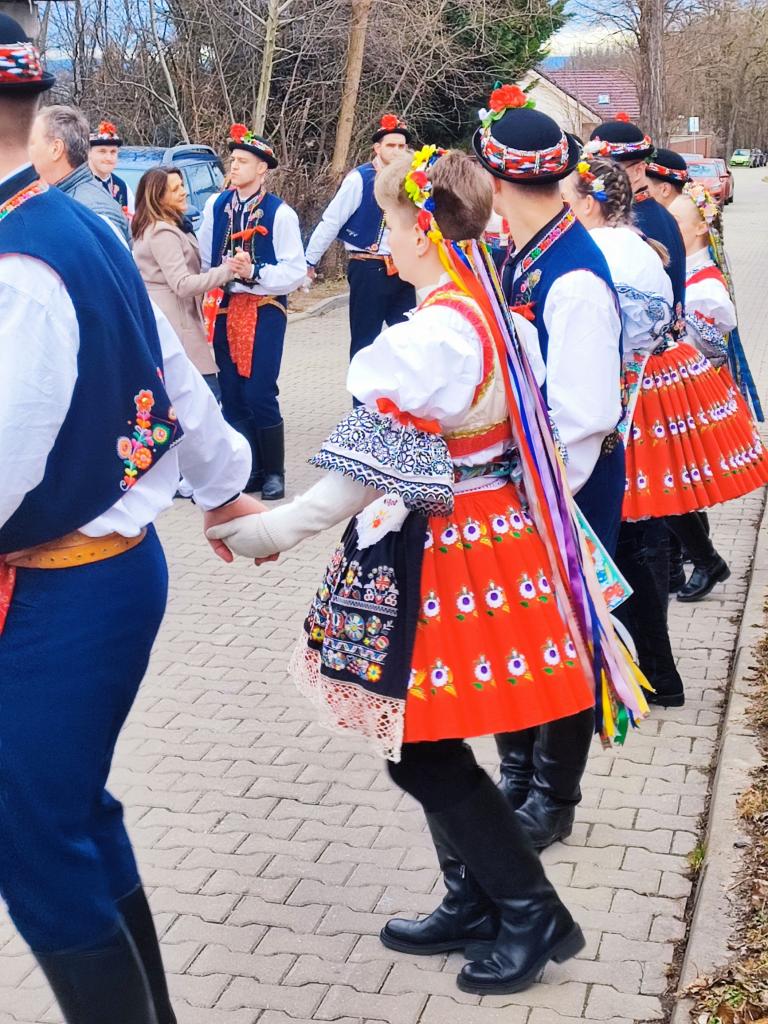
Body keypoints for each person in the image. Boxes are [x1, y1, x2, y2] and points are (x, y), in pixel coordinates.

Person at [208, 146, 647, 994]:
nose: (383, 242)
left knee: (418, 744)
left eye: (390, 224)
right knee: (426, 737)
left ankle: (529, 909)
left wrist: (266, 533)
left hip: (446, 550)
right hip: (492, 538)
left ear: (423, 233)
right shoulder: (493, 318)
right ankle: (474, 898)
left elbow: (352, 484)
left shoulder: (429, 340)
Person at [0, 17, 260, 1022]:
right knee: (74, 813)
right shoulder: (74, 226)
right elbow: (172, 377)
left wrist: (223, 484)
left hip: (63, 586)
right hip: (98, 573)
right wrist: (223, 482)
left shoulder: (21, 263)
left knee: (33, 840)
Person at [472, 86, 624, 851]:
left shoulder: (574, 278)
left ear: (497, 180)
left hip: (567, 485)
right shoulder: (521, 254)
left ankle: (553, 797)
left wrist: (539, 494)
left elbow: (586, 412)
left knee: (562, 633)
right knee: (520, 628)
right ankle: (518, 776)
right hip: (527, 482)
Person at [198, 123, 307, 500]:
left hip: (264, 307)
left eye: (243, 161)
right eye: (233, 159)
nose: (234, 166)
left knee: (259, 390)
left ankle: (275, 472)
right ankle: (251, 469)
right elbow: (204, 256)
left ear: (262, 169)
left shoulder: (281, 214)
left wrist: (254, 272)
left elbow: (295, 271)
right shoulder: (216, 205)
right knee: (231, 391)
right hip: (225, 306)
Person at [305, 114, 416, 362]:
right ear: (377, 148)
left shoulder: (413, 180)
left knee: (409, 339)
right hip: (369, 267)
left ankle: (400, 387)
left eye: (402, 146)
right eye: (391, 145)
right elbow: (331, 220)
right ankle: (361, 388)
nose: (397, 151)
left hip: (404, 269)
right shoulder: (360, 178)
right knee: (365, 341)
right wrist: (309, 261)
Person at [132, 166, 251, 398]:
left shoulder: (167, 226)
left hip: (175, 323)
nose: (183, 192)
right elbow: (182, 284)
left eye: (182, 186)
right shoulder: (162, 233)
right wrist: (229, 270)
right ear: (158, 197)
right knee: (207, 396)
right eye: (175, 189)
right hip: (178, 326)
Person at [590, 115, 686, 328]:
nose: (597, 178)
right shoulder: (659, 214)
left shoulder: (634, 223)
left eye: (610, 169)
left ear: (639, 171)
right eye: (593, 169)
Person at [28, 103, 131, 244]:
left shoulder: (94, 213)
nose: (25, 150)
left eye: (31, 142)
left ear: (56, 149)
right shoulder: (60, 196)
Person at [89, 119, 134, 214]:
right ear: (89, 153)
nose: (109, 158)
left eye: (113, 152)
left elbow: (132, 220)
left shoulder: (123, 187)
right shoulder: (79, 185)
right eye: (102, 151)